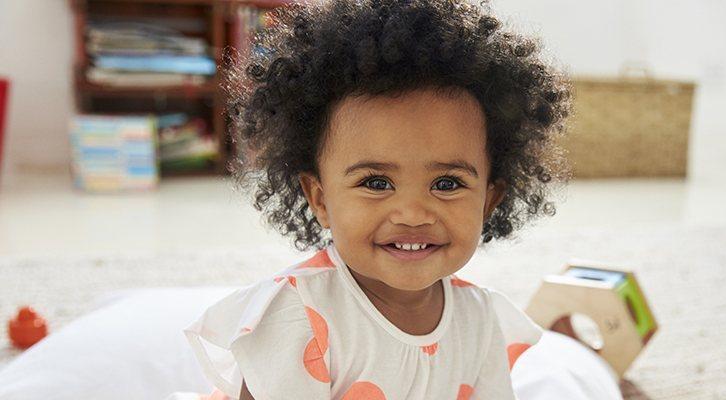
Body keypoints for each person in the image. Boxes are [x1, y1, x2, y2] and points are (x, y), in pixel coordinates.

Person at [179, 0, 574, 398]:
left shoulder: (481, 319)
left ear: (489, 201)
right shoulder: (296, 316)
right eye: (377, 183)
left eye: (448, 184)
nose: (413, 214)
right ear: (319, 199)